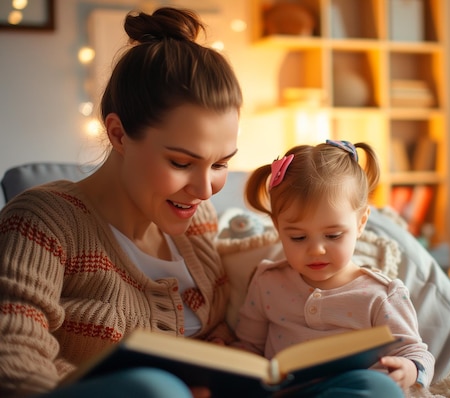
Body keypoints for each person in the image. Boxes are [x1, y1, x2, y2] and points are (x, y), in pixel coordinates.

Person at [0, 7, 406, 398]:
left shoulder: (197, 223)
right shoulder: (41, 221)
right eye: (181, 162)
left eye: (220, 164)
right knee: (155, 389)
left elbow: (218, 337)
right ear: (119, 134)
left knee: (371, 388)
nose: (206, 189)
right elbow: (14, 361)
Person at [236, 140, 436, 396]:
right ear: (277, 228)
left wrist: (408, 368)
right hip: (284, 392)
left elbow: (416, 352)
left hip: (345, 391)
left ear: (361, 222)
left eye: (333, 236)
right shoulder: (267, 281)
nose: (316, 250)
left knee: (380, 387)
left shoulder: (382, 295)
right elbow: (249, 346)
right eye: (298, 237)